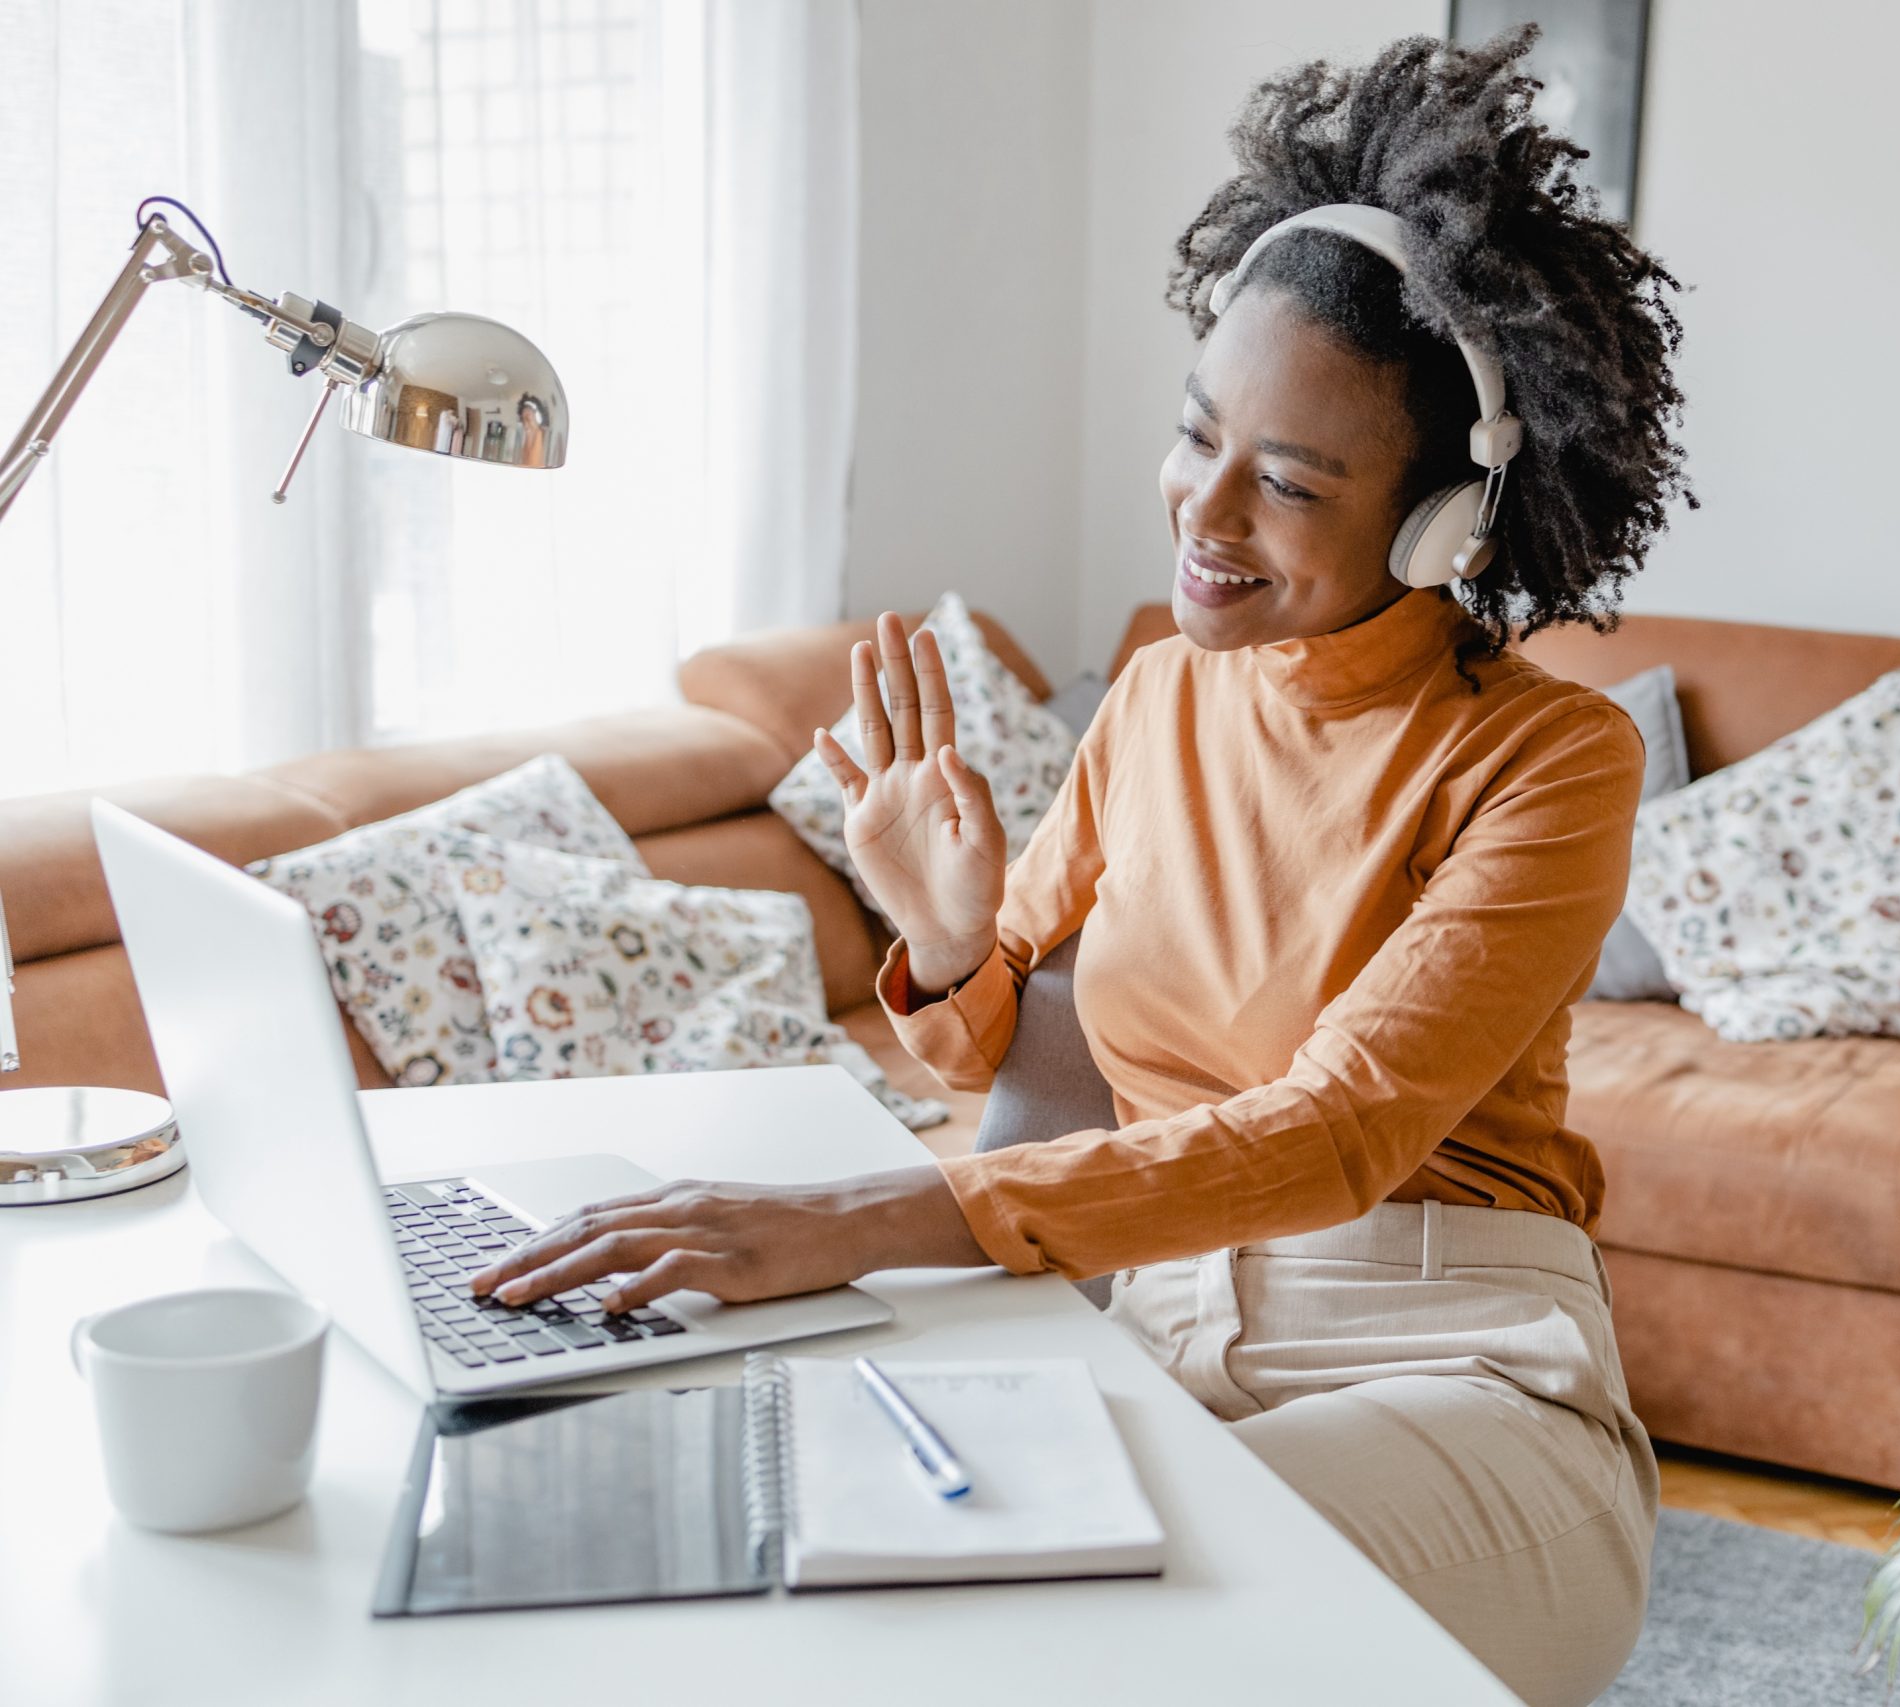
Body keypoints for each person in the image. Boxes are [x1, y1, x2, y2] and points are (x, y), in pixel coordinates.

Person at [472, 29, 1691, 1705]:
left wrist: (855, 1220)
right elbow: (1004, 1055)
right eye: (1201, 437)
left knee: (1078, 1627)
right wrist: (949, 930)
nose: (1207, 508)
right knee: (836, 1537)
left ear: (1436, 527)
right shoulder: (1158, 698)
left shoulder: (1548, 759)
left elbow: (1343, 1134)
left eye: (1290, 482)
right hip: (1155, 1325)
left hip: (1448, 1361)